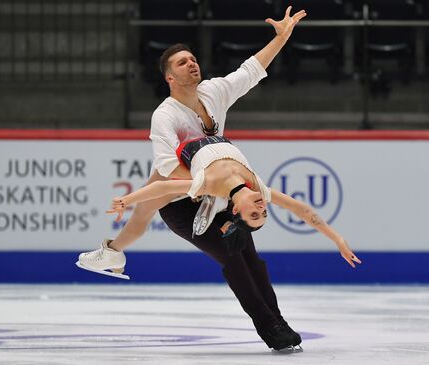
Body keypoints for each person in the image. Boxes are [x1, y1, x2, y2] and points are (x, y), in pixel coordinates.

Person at [78, 6, 314, 351]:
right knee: (230, 255)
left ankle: (279, 322)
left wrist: (280, 37)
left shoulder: (214, 92)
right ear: (169, 77)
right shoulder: (165, 116)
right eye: (182, 63)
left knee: (251, 257)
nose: (192, 64)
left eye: (192, 59)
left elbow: (251, 70)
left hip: (218, 195)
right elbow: (168, 167)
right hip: (182, 204)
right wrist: (210, 183)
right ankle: (270, 329)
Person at [106, 135, 362, 269]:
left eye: (255, 215)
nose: (262, 208)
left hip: (181, 152)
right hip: (213, 132)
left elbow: (161, 186)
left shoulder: (209, 184)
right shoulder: (259, 188)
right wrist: (337, 238)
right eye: (264, 213)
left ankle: (113, 252)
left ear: (236, 209)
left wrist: (125, 200)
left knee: (145, 210)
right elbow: (302, 209)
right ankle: (115, 252)